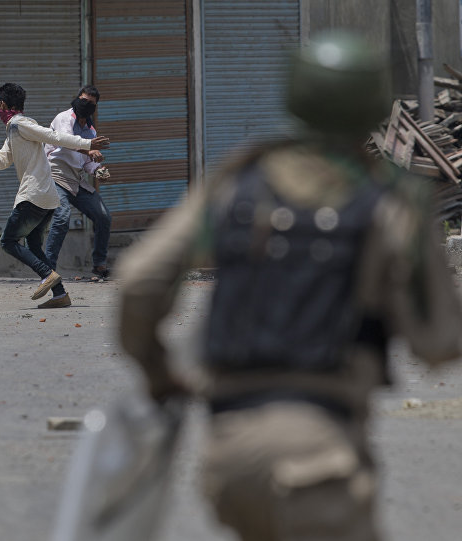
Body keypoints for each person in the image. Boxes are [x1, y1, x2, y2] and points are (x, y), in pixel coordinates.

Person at [116, 32, 462, 541]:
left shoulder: (234, 183)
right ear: (371, 105)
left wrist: (159, 374)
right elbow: (437, 342)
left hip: (227, 456)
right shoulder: (389, 204)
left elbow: (138, 281)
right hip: (320, 456)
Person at [0, 83, 109, 305]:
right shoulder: (14, 129)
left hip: (35, 194)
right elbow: (1, 162)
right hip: (46, 196)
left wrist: (87, 142)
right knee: (34, 245)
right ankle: (60, 294)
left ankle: (47, 275)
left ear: (1, 104)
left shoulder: (20, 124)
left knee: (8, 241)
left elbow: (52, 136)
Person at [43, 85, 113, 293]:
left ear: (94, 107)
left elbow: (86, 164)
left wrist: (99, 170)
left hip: (75, 180)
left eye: (89, 103)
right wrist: (90, 149)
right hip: (55, 176)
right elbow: (66, 142)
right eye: (82, 100)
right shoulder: (65, 118)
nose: (84, 105)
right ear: (76, 99)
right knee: (62, 218)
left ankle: (99, 264)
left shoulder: (91, 131)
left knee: (103, 217)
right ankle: (48, 270)